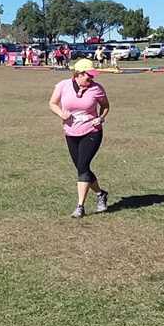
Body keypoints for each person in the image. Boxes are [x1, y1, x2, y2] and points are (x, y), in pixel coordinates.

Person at [48, 58, 110, 218]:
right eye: (89, 75)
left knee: (82, 166)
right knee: (82, 168)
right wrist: (61, 113)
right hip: (71, 132)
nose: (92, 78)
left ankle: (80, 206)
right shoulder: (63, 86)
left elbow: (105, 106)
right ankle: (100, 194)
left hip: (92, 131)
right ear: (78, 74)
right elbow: (52, 103)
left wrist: (101, 117)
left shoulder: (97, 89)